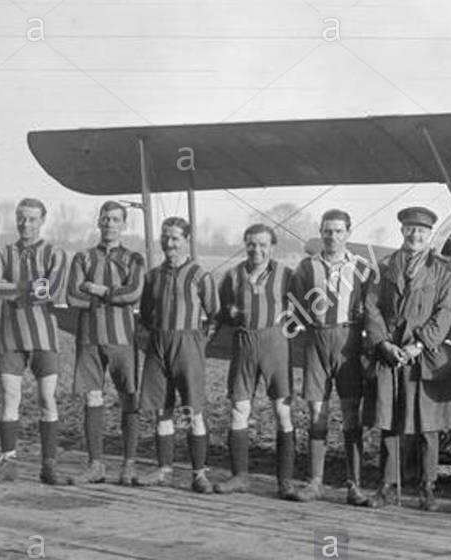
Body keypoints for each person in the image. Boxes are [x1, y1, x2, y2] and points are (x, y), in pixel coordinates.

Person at [362, 206, 451, 510]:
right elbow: (371, 307)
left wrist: (418, 345)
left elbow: (445, 311)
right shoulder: (384, 266)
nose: (415, 235)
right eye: (410, 229)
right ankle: (387, 485)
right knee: (389, 420)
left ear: (429, 234)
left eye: (421, 230)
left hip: (425, 354)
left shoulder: (442, 269)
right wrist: (384, 344)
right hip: (391, 355)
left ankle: (427, 486)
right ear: (402, 231)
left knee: (428, 425)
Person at [289, 210, 374, 505]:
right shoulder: (306, 267)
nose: (332, 237)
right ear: (321, 233)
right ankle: (315, 482)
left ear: (348, 233)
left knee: (351, 413)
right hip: (317, 340)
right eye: (327, 231)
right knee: (317, 412)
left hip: (349, 341)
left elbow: (372, 308)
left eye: (338, 231)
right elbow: (294, 307)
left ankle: (355, 485)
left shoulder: (362, 268)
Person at [0, 198, 68, 485]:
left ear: (42, 221)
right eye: (21, 218)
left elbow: (51, 290)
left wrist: (13, 289)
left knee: (47, 399)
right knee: (10, 399)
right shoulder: (3, 252)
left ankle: (49, 466)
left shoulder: (55, 253)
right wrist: (30, 286)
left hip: (45, 337)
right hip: (11, 337)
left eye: (32, 219)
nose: (25, 224)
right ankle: (8, 462)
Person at [214, 224, 298, 500]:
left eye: (263, 245)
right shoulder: (232, 275)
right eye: (251, 244)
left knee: (282, 411)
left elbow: (303, 310)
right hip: (244, 344)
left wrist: (288, 328)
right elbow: (221, 313)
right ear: (245, 245)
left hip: (276, 344)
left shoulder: (287, 275)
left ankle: (285, 481)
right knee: (239, 408)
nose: (256, 250)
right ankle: (239, 476)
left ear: (272, 246)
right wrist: (227, 317)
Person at [135, 217, 219, 493]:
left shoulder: (199, 275)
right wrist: (150, 339)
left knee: (193, 410)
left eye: (175, 238)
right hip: (159, 343)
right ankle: (164, 470)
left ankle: (199, 474)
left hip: (188, 344)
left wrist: (199, 343)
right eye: (165, 237)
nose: (169, 243)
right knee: (162, 409)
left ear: (186, 240)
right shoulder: (153, 276)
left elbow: (214, 314)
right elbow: (145, 314)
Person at [65, 201, 145, 486]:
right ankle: (95, 465)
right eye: (105, 218)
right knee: (92, 398)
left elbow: (133, 293)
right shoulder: (83, 257)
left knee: (129, 398)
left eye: (115, 219)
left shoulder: (134, 258)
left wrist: (97, 290)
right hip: (89, 338)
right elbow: (73, 297)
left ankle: (128, 465)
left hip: (123, 339)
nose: (110, 224)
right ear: (98, 221)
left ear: (124, 224)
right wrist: (114, 296)